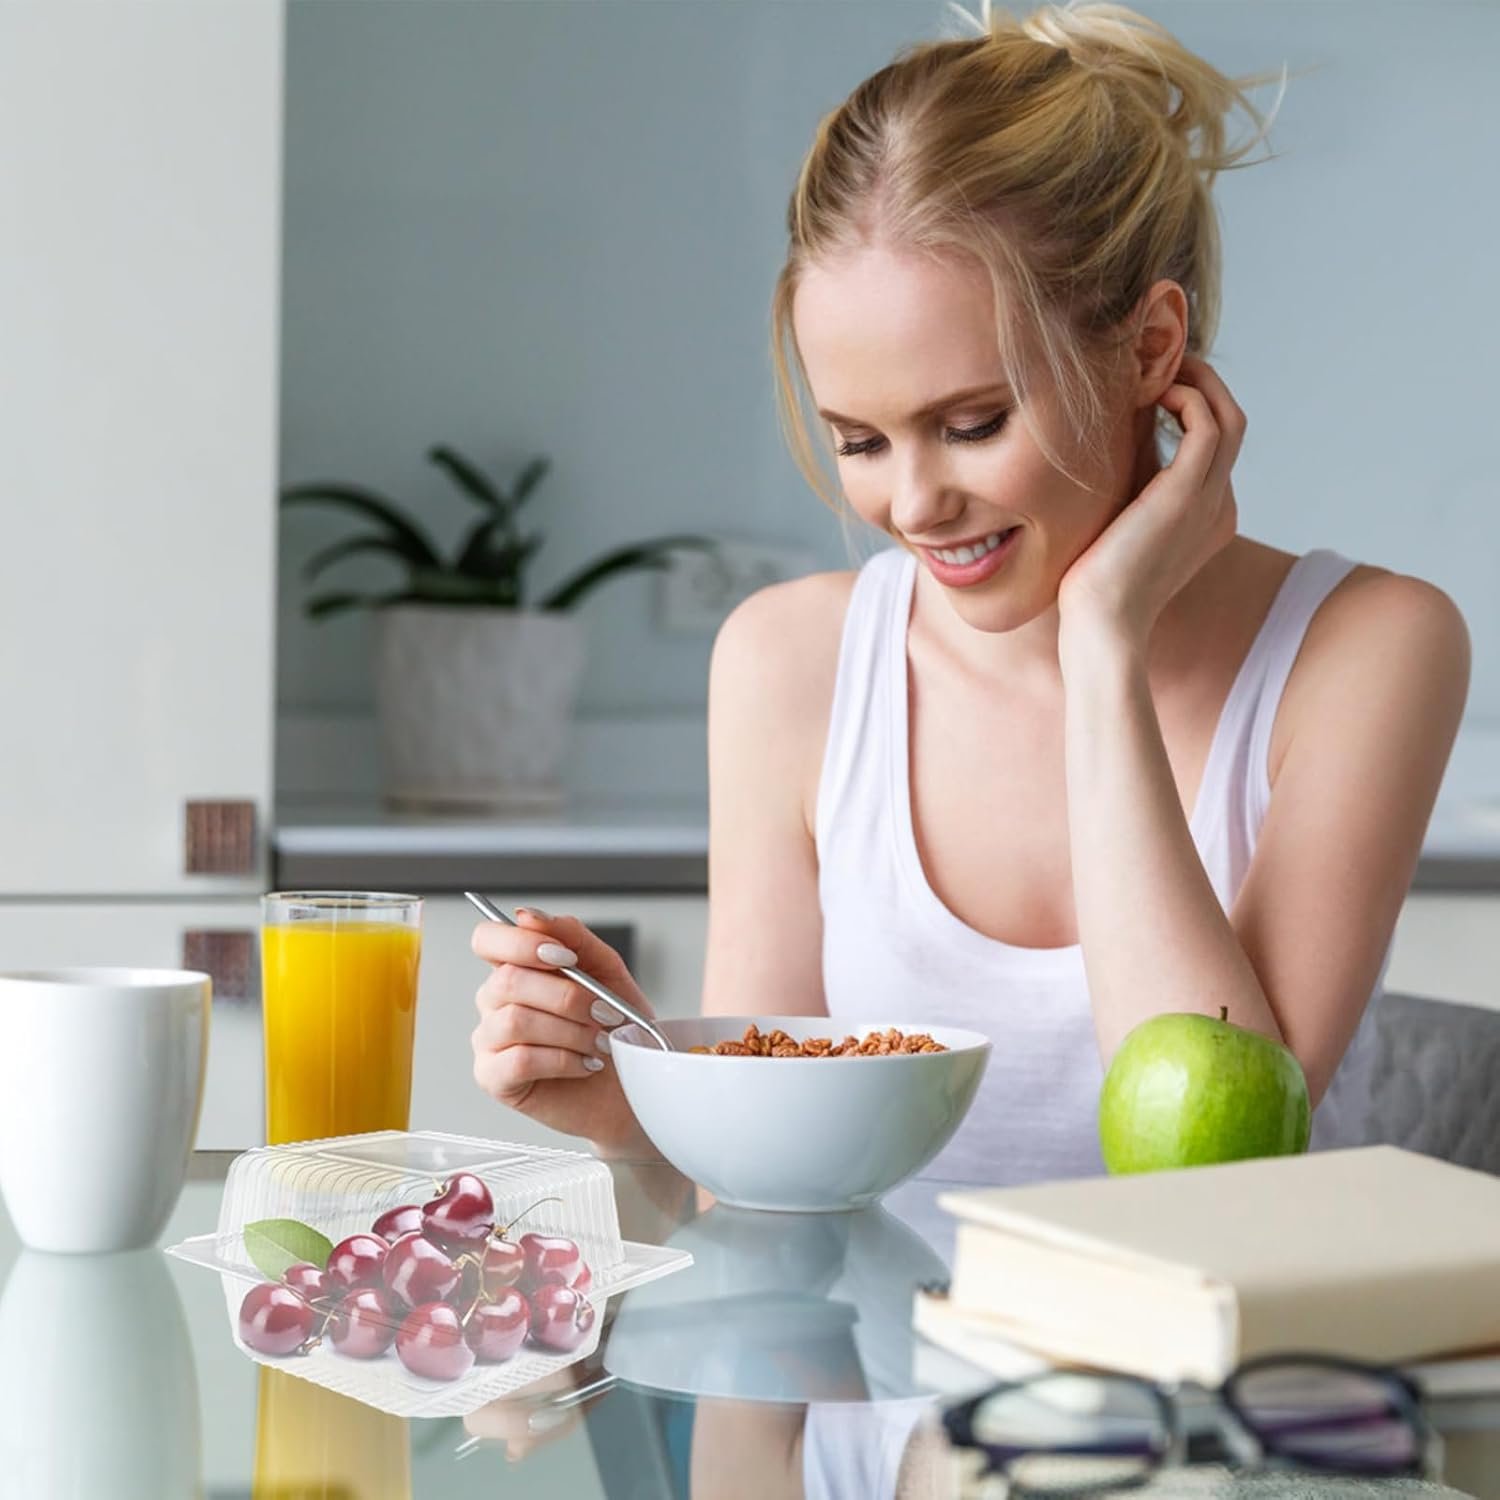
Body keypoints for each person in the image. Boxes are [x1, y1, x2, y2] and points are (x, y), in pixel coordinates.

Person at [469, 1, 1469, 1191]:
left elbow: (1219, 1166)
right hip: (876, 1381)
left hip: (1225, 1382)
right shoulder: (789, 665)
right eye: (860, 441)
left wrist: (1103, 646)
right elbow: (774, 1204)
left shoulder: (1367, 651)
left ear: (1152, 347)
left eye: (970, 424)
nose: (915, 504)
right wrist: (645, 1107)